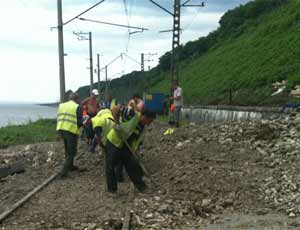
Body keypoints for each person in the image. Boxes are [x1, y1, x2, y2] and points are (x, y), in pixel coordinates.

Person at [105, 107, 156, 194]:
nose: (149, 124)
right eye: (149, 121)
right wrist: (117, 123)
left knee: (132, 164)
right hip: (114, 142)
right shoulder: (132, 114)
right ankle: (112, 190)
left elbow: (136, 140)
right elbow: (115, 109)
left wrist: (134, 151)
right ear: (145, 116)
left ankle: (142, 187)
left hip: (126, 146)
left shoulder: (142, 127)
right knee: (110, 166)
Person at [56, 92, 83, 178]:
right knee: (71, 152)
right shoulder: (77, 107)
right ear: (76, 99)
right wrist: (83, 123)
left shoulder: (62, 105)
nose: (79, 101)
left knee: (67, 149)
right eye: (78, 99)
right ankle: (63, 173)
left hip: (61, 128)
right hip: (70, 130)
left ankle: (70, 166)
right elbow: (79, 122)